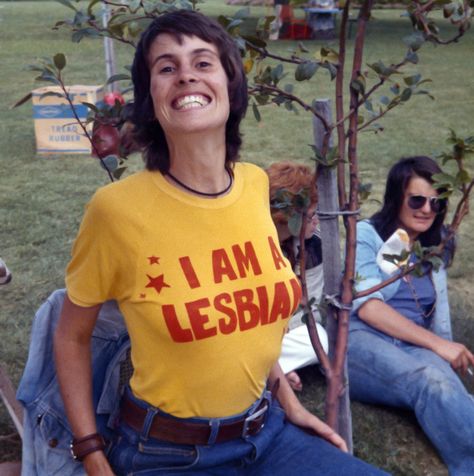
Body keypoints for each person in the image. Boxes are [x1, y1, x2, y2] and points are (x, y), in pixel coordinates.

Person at [54, 10, 387, 475]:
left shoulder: (254, 186)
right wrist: (91, 453)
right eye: (166, 67)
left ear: (231, 86)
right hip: (169, 454)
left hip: (268, 434)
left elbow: (245, 318)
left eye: (203, 62)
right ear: (151, 98)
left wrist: (289, 402)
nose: (186, 74)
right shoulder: (115, 211)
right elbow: (71, 334)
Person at [348, 156, 474, 476]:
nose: (427, 210)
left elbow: (435, 311)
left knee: (448, 387)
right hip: (361, 338)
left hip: (410, 343)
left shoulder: (437, 244)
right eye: (417, 199)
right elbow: (369, 306)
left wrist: (440, 347)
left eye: (436, 202)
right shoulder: (368, 234)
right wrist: (402, 241)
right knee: (429, 381)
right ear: (396, 198)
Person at [267, 161, 328, 391]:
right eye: (311, 215)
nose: (317, 221)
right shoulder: (251, 239)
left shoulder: (313, 244)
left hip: (284, 330)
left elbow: (307, 308)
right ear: (286, 216)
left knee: (318, 341)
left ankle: (268, 370)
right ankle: (272, 371)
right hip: (244, 328)